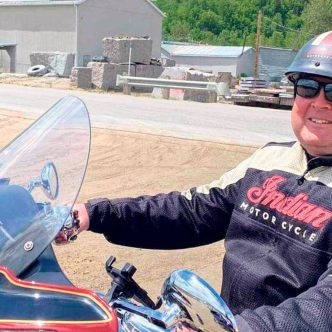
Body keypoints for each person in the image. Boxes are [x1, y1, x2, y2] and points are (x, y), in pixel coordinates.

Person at [70, 31, 332, 331]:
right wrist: (95, 214)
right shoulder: (270, 160)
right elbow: (192, 211)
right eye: (309, 87)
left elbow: (324, 306)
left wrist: (242, 328)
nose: (319, 103)